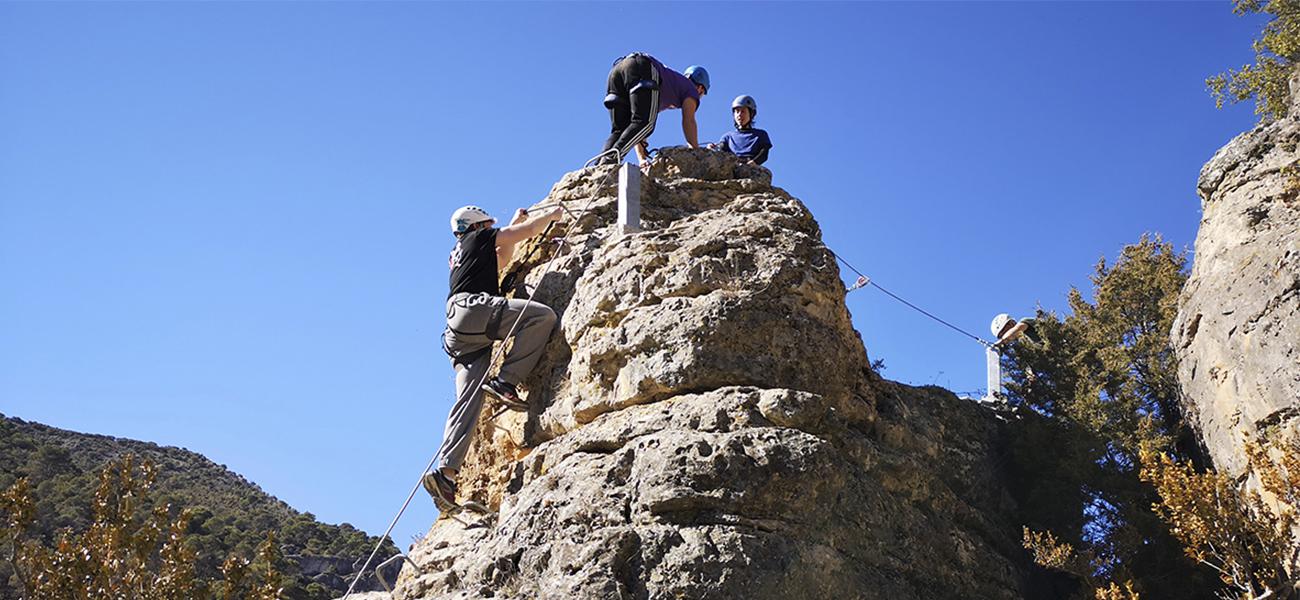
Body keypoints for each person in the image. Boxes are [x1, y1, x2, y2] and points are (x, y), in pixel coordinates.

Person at [423, 204, 562, 510]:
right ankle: (506, 382)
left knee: (468, 400)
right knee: (540, 317)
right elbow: (522, 235)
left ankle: (446, 475)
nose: (490, 229)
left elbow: (502, 258)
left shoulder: (464, 250)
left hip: (459, 333)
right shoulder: (476, 239)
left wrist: (515, 223)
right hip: (473, 310)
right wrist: (551, 217)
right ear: (477, 226)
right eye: (487, 225)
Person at [601, 53, 709, 165]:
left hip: (618, 70)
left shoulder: (668, 88)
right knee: (646, 124)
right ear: (700, 88)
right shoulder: (691, 89)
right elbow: (689, 120)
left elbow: (638, 127)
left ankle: (600, 165)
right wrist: (696, 150)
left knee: (621, 130)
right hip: (642, 66)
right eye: (702, 94)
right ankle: (612, 159)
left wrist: (642, 159)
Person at [710, 95, 772, 166]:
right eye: (737, 111)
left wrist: (754, 162)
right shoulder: (728, 137)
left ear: (751, 114)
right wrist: (712, 149)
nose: (739, 115)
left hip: (751, 167)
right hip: (732, 166)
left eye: (743, 111)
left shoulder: (760, 134)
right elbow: (721, 150)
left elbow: (763, 154)